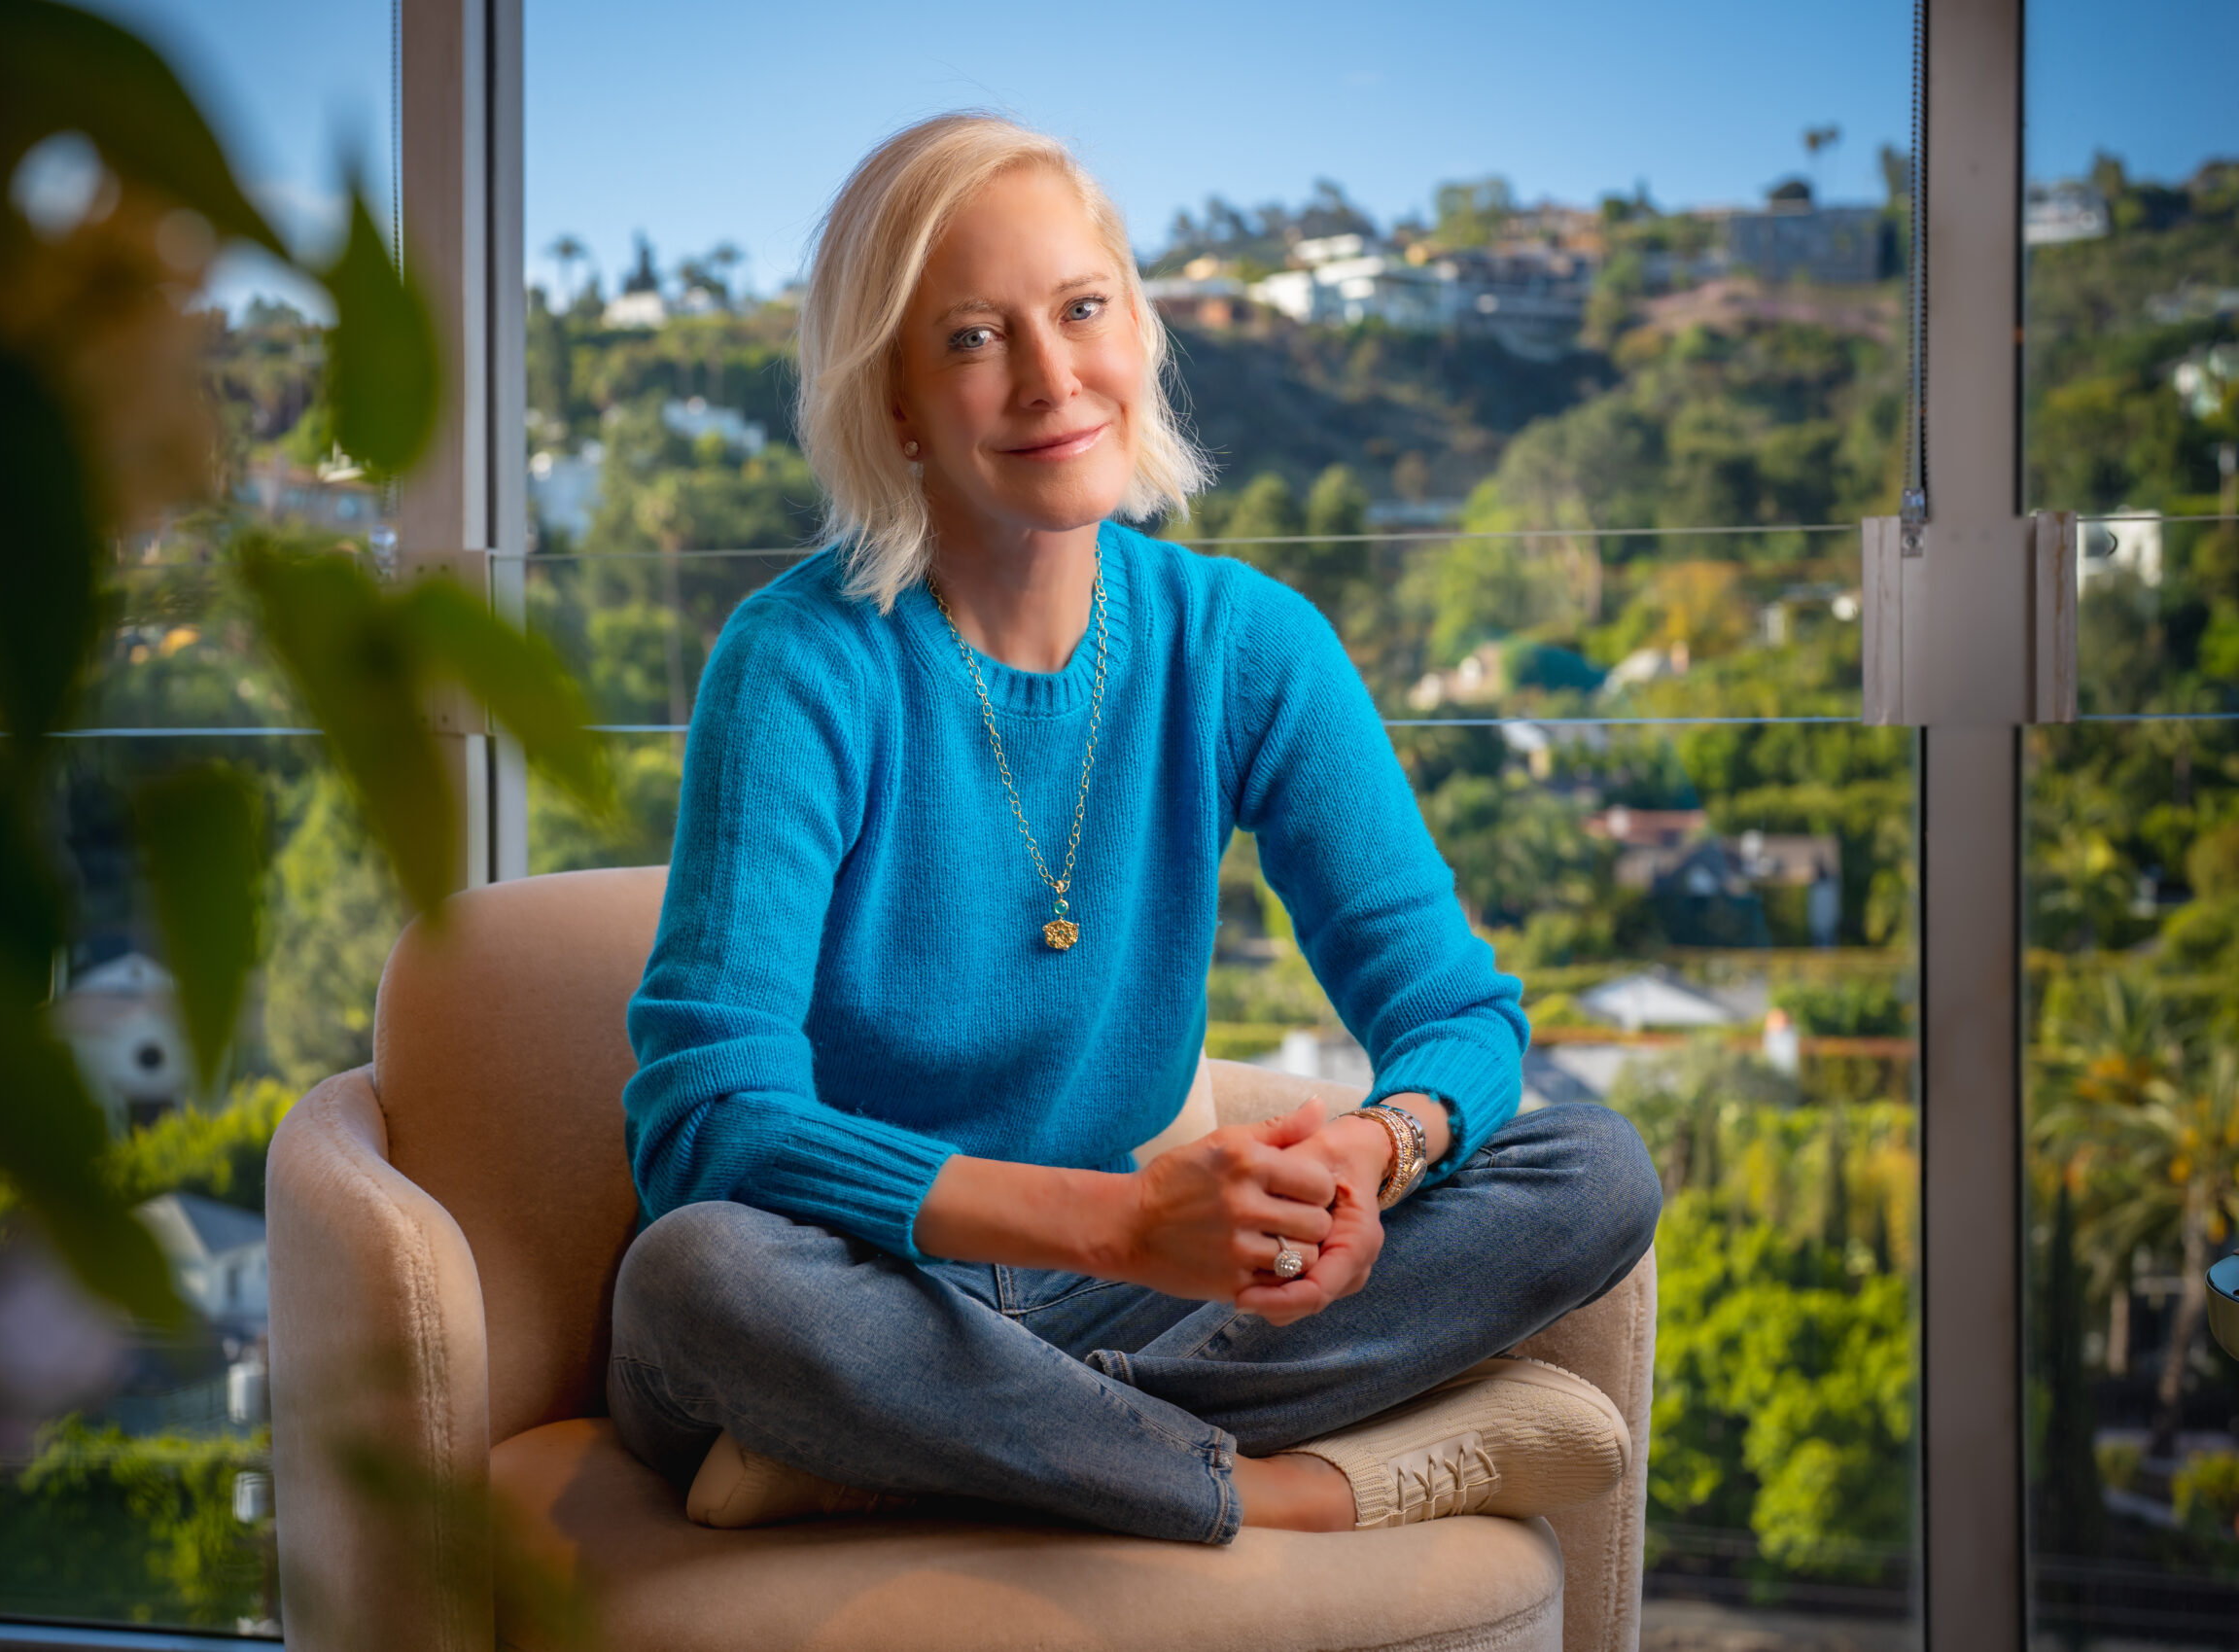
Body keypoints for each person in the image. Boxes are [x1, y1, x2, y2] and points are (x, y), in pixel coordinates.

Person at [609, 112, 1662, 1545]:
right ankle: (1268, 1488)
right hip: (853, 1277)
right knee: (699, 1279)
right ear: (897, 404)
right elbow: (709, 1122)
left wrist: (1378, 1151)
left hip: (1109, 1306)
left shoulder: (1245, 647)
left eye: (1082, 309)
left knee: (1592, 1169)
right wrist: (1116, 1224)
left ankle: (925, 1446)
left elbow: (1458, 1014)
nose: (1053, 376)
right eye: (975, 337)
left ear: (1140, 329)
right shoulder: (799, 665)